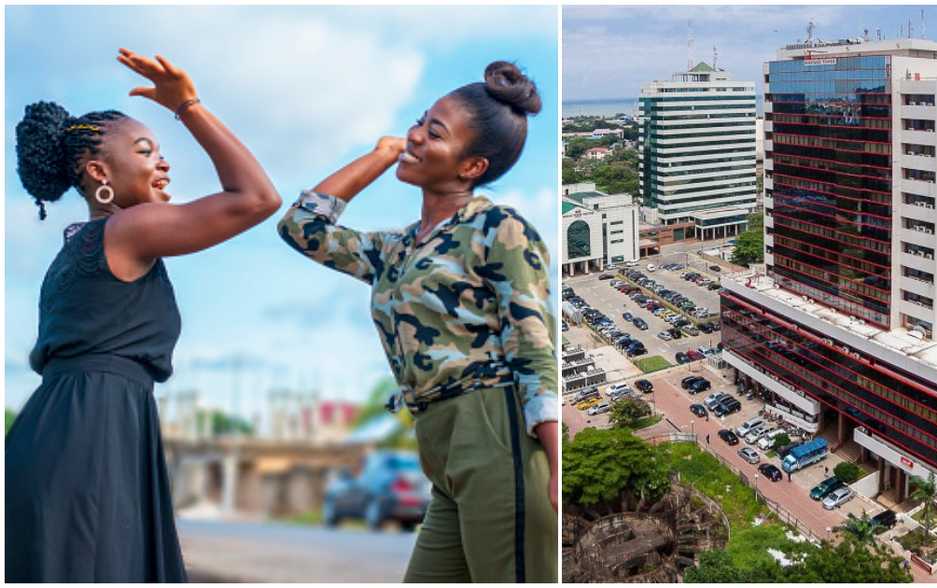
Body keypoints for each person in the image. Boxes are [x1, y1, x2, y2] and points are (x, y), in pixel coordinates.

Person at [6, 49, 281, 582]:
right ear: (99, 172)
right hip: (93, 430)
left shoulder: (78, 247)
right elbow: (256, 198)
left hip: (67, 428)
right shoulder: (130, 230)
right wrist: (188, 106)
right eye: (146, 150)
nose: (164, 162)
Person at [277, 61, 555, 582]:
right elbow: (301, 228)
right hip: (440, 449)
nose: (414, 136)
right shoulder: (398, 248)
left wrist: (557, 470)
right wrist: (382, 156)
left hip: (495, 434)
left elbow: (534, 346)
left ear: (471, 167)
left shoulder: (496, 227)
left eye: (435, 133)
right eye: (421, 121)